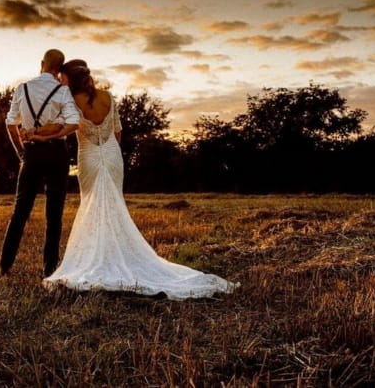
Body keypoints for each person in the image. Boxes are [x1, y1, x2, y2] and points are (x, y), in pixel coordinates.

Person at [31, 60, 238, 299]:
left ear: (70, 80)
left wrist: (36, 133)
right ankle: (114, 253)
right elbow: (117, 132)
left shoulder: (68, 101)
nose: (60, 81)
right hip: (112, 154)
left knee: (91, 205)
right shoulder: (107, 97)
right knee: (114, 204)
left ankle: (99, 258)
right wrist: (110, 154)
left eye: (62, 77)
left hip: (88, 155)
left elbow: (59, 127)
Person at [0, 49, 80, 277]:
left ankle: (5, 267)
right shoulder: (63, 91)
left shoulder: (22, 88)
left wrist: (21, 152)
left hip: (31, 154)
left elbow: (10, 123)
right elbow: (73, 122)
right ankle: (49, 270)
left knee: (20, 212)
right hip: (57, 154)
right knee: (54, 215)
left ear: (42, 63)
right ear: (60, 68)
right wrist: (51, 135)